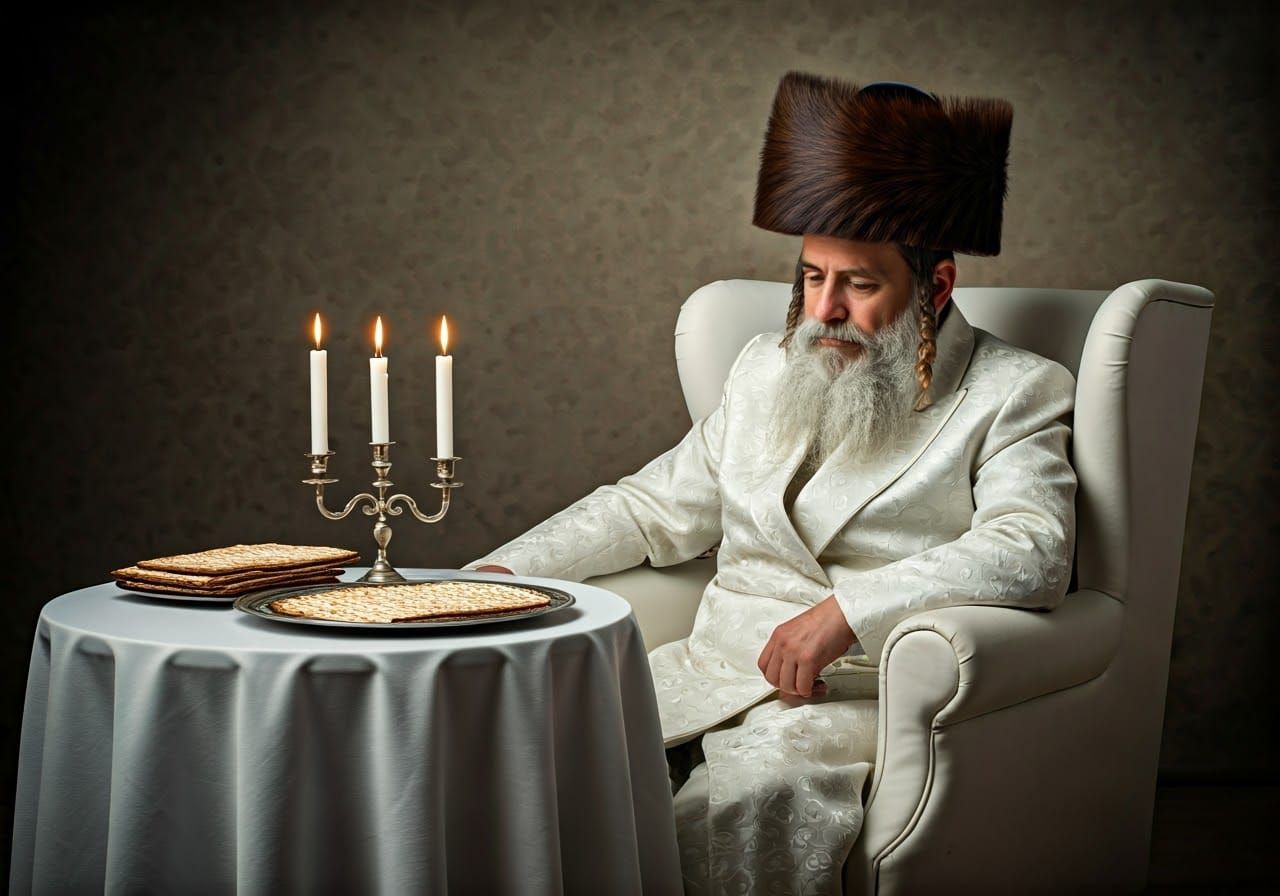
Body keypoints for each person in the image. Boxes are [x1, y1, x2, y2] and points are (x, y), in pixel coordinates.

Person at [465, 71, 1077, 896]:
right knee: (524, 758)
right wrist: (501, 576)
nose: (824, 309)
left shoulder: (1016, 391)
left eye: (860, 284)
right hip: (705, 671)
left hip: (851, 697)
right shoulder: (765, 367)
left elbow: (1032, 548)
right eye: (812, 277)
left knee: (750, 798)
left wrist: (846, 612)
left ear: (934, 287)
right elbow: (650, 509)